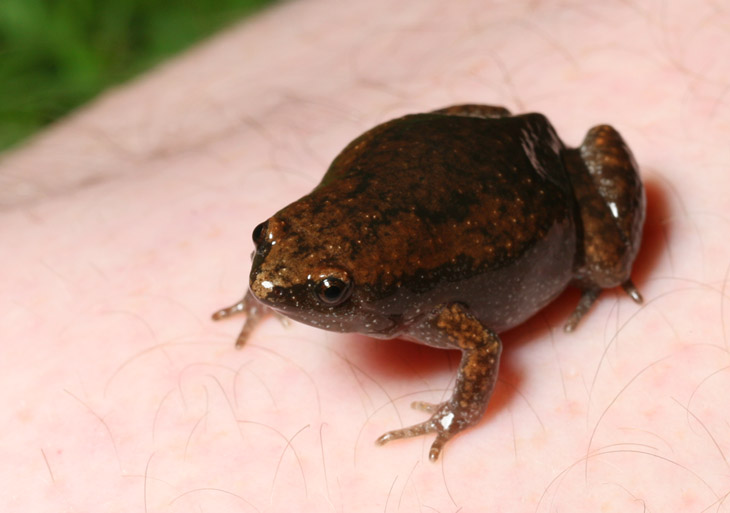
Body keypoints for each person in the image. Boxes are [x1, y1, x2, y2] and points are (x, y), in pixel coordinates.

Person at [3, 0, 728, 510]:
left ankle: (605, 276)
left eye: (325, 291)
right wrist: (264, 289)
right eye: (265, 241)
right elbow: (290, 256)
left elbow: (483, 346)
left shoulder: (431, 307)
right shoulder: (304, 244)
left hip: (543, 194)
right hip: (455, 153)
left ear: (375, 294)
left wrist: (454, 416)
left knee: (604, 263)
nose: (275, 277)